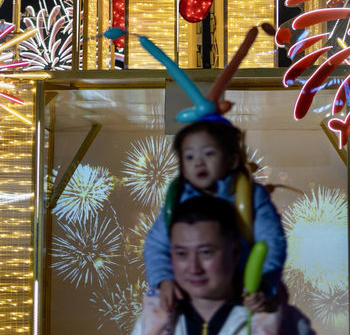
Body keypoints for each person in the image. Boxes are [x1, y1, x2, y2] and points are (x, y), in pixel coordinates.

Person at [144, 118, 286, 313]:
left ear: (232, 159)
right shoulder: (177, 201)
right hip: (195, 293)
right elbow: (156, 245)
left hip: (246, 290)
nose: (199, 162)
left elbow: (272, 242)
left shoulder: (252, 196)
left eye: (209, 153)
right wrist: (164, 279)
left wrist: (263, 283)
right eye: (189, 156)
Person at [132, 197, 315, 335]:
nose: (194, 268)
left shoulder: (283, 322)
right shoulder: (151, 324)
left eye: (206, 252)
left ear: (235, 252)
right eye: (181, 254)